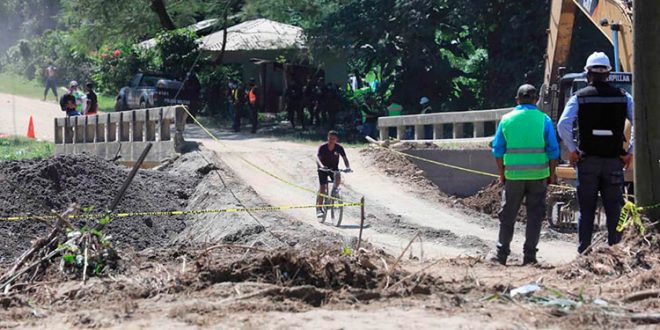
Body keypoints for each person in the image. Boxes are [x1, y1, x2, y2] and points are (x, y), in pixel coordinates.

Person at [557, 52, 634, 253]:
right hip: (613, 162)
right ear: (608, 73)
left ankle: (584, 253)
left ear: (588, 74)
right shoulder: (623, 97)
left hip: (587, 162)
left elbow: (563, 124)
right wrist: (630, 152)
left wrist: (573, 150)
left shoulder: (579, 98)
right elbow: (641, 123)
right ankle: (616, 253)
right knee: (614, 211)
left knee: (587, 211)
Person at [491, 84, 560, 265]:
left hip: (513, 177)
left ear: (517, 100)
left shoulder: (506, 120)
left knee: (508, 215)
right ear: (536, 100)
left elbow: (497, 150)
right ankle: (530, 257)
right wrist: (551, 175)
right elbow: (553, 151)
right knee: (535, 216)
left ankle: (501, 254)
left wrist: (501, 174)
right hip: (538, 177)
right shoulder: (543, 120)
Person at [316, 130, 351, 218]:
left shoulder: (339, 147)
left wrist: (348, 167)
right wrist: (322, 166)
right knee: (323, 188)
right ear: (327, 138)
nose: (331, 140)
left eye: (334, 139)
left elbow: (345, 158)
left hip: (333, 168)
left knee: (338, 176)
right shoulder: (323, 147)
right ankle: (319, 208)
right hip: (323, 169)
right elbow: (318, 158)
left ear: (336, 139)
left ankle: (335, 192)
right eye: (330, 138)